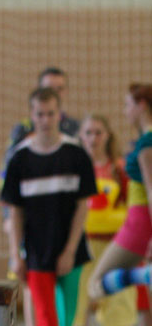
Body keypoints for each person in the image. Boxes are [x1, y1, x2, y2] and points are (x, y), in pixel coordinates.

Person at [1, 86, 97, 326]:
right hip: (35, 252)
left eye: (50, 113)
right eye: (40, 114)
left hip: (71, 250)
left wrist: (70, 251)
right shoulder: (19, 159)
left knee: (70, 319)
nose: (45, 120)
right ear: (31, 115)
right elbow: (15, 212)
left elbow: (82, 207)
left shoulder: (76, 155)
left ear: (59, 115)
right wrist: (15, 255)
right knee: (45, 318)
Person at [88, 84, 152, 323]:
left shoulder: (147, 143)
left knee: (95, 285)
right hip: (140, 222)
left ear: (141, 105)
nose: (125, 111)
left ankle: (144, 275)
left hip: (140, 223)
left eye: (127, 105)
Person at [74, 113, 136, 326]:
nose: (94, 138)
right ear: (81, 136)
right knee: (77, 303)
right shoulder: (74, 169)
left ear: (108, 135)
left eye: (98, 133)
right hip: (82, 245)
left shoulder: (120, 169)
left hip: (115, 246)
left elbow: (134, 206)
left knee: (119, 303)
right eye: (88, 133)